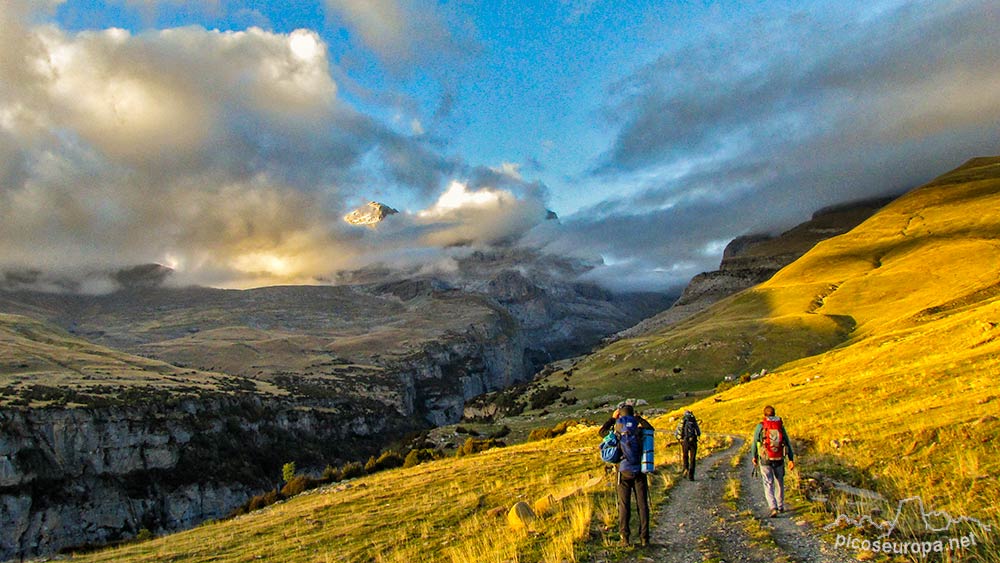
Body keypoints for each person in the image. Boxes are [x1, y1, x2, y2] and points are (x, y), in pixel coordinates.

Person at [598, 403, 655, 547]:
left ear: (620, 414)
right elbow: (651, 430)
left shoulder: (617, 431)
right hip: (640, 471)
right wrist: (639, 418)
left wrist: (612, 419)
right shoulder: (639, 429)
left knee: (624, 505)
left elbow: (601, 432)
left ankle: (625, 537)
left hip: (622, 472)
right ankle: (644, 538)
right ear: (632, 413)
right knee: (642, 505)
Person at [750, 405, 795, 518]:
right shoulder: (780, 425)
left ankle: (773, 507)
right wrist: (791, 459)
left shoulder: (761, 426)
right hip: (779, 457)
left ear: (764, 415)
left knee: (768, 483)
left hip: (765, 459)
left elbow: (755, 442)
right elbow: (787, 442)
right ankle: (780, 505)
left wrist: (754, 456)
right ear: (774, 414)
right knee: (779, 482)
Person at [674, 410, 701, 480]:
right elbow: (698, 432)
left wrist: (680, 439)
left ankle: (685, 468)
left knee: (685, 456)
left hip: (685, 441)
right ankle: (691, 476)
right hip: (693, 441)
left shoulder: (682, 421)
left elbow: (676, 433)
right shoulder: (693, 420)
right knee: (692, 459)